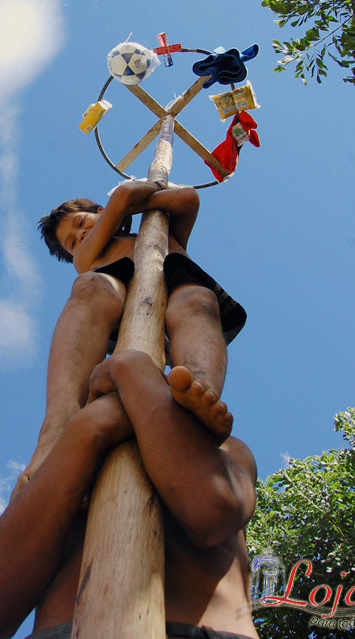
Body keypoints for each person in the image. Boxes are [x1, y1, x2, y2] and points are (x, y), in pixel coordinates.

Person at [0, 350, 259, 639]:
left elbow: (210, 508)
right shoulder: (53, 465)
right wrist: (89, 426)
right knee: (92, 300)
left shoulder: (229, 451)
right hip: (66, 632)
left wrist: (130, 368)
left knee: (197, 300)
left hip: (211, 632)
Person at [15, 182, 246, 489]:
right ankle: (58, 423)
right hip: (115, 307)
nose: (80, 236)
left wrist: (128, 205)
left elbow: (188, 199)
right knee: (89, 288)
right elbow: (118, 203)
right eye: (72, 241)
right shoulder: (89, 259)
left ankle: (198, 388)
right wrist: (122, 202)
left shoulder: (160, 227)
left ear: (100, 211)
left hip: (173, 288)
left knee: (199, 300)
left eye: (81, 224)